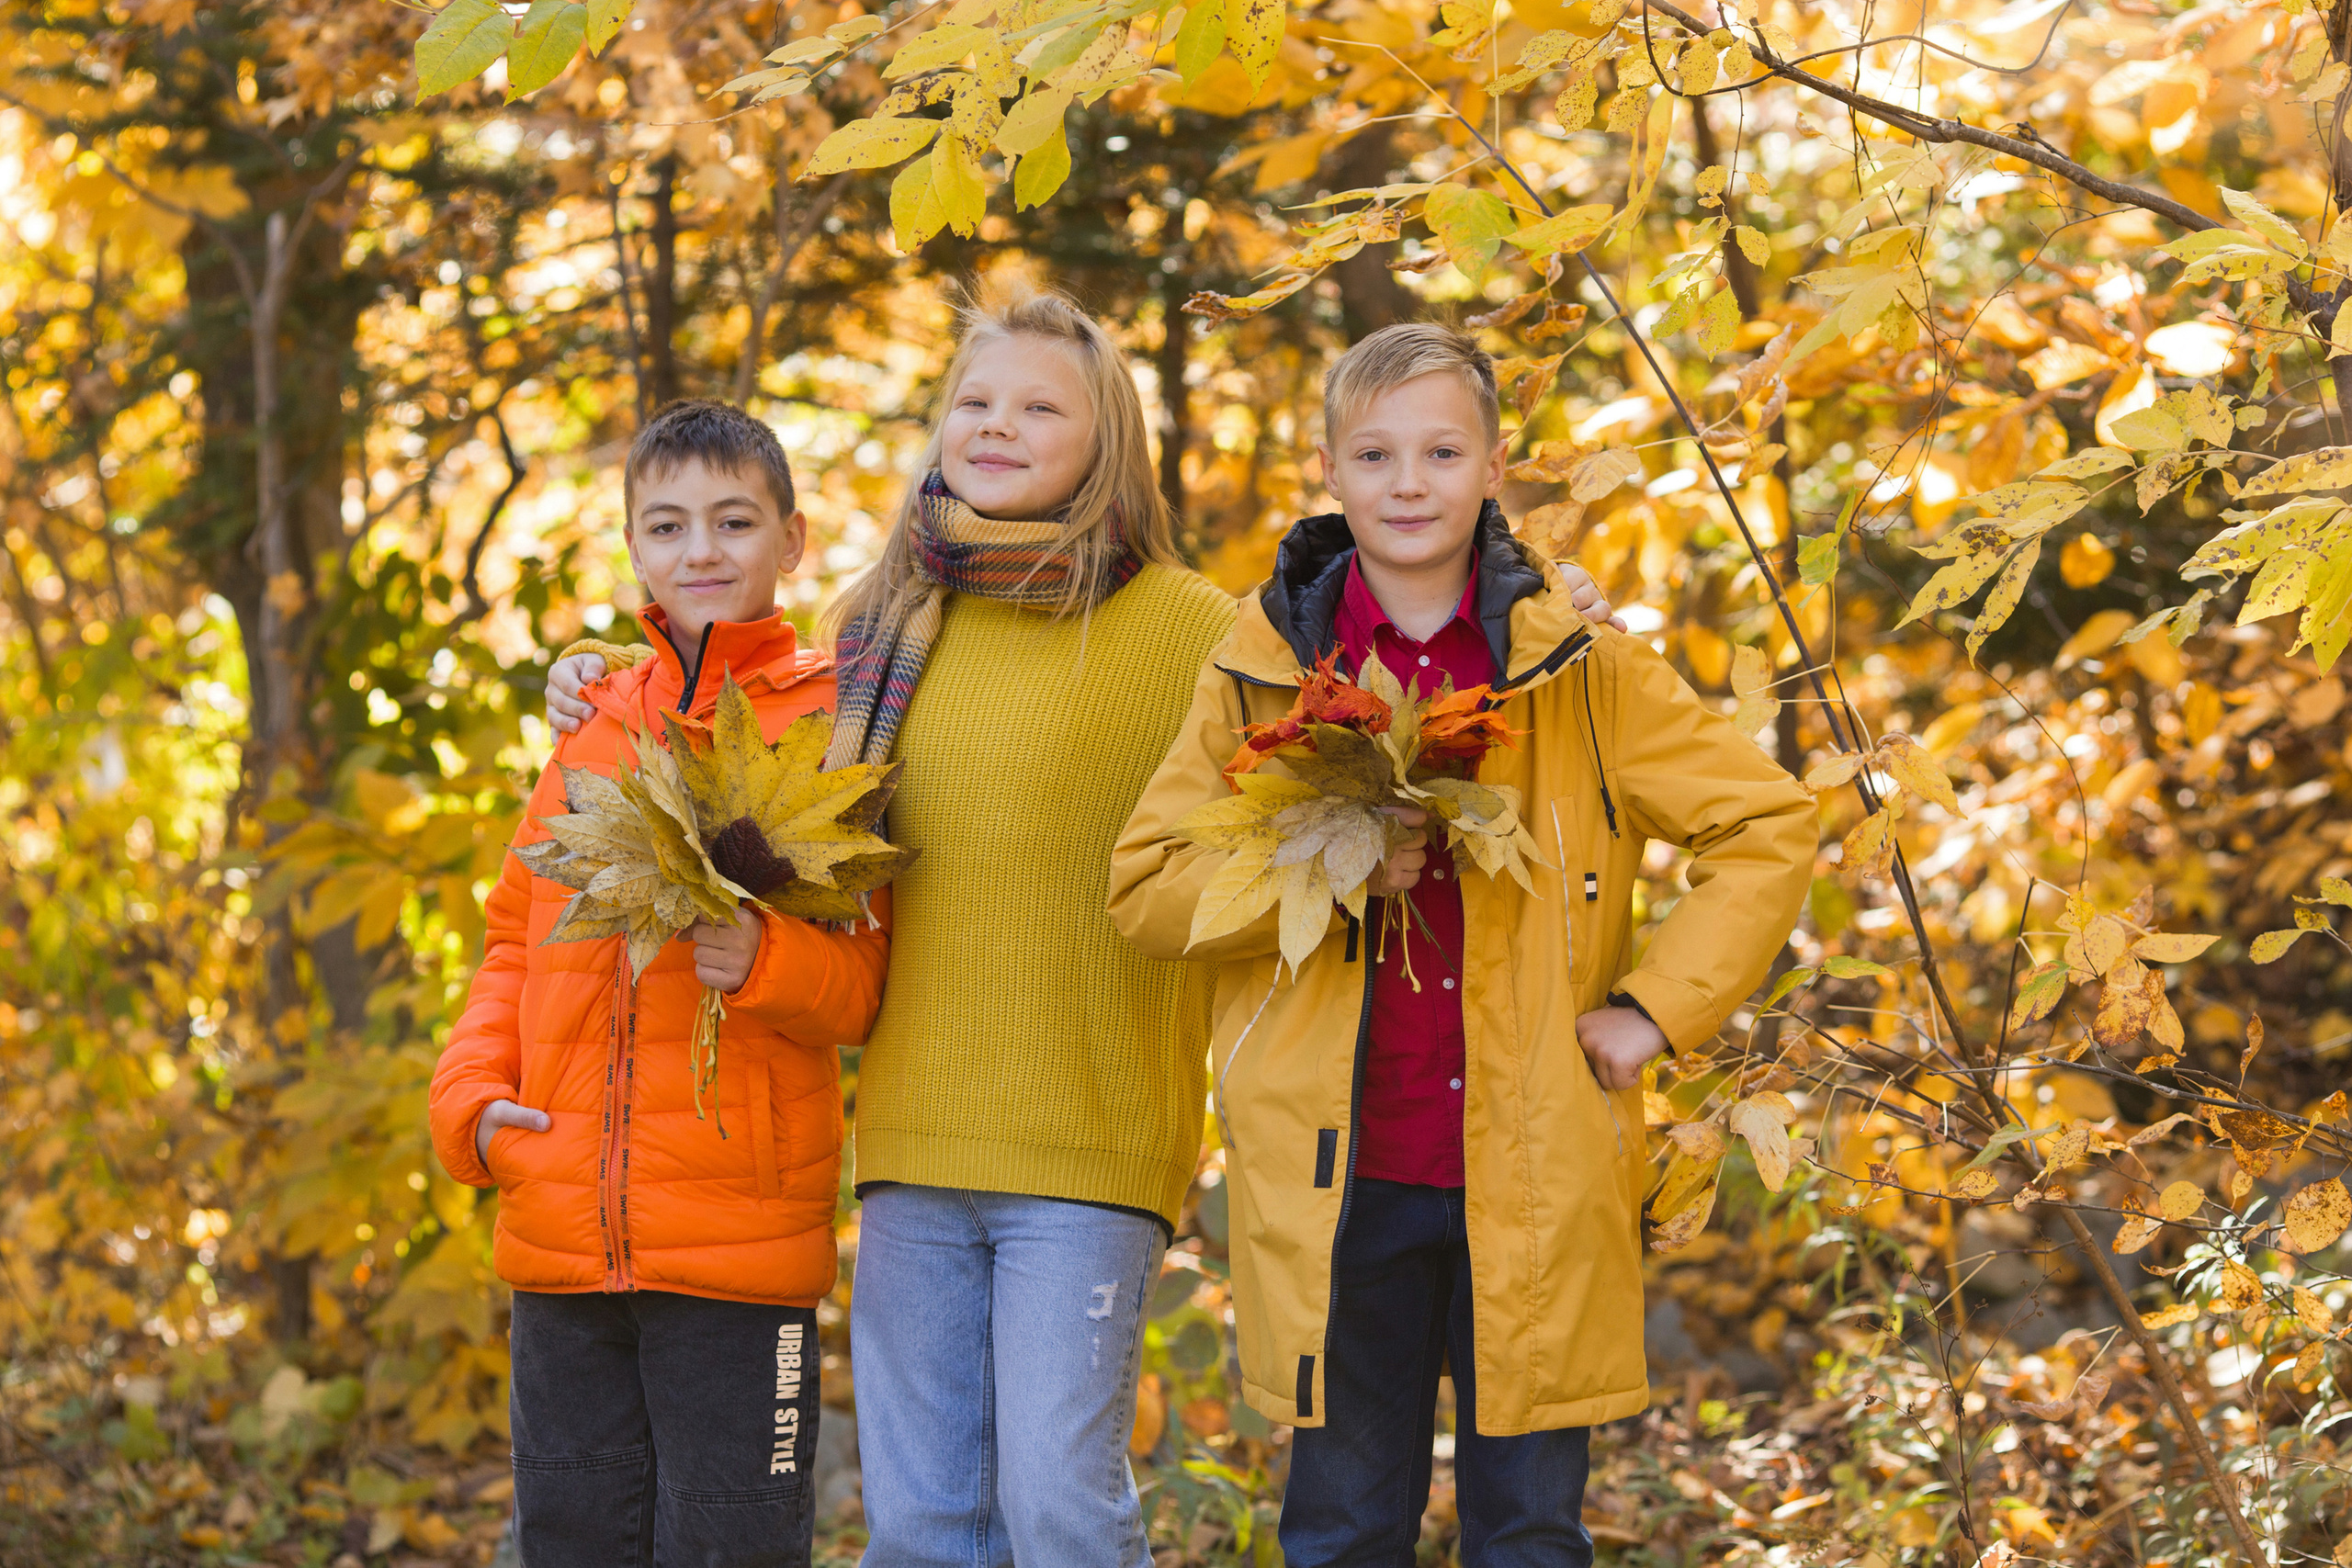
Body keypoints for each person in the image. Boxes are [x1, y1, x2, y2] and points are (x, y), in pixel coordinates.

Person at [539, 295, 1623, 1567]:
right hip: (912, 1125)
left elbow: (1397, 674)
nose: (997, 423)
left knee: (1058, 1506)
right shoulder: (876, 620)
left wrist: (1546, 604)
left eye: (1039, 404)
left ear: (1104, 435)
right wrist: (596, 666)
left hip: (1093, 1134)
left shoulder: (1192, 624)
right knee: (923, 1521)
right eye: (976, 401)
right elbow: (734, 704)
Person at [1108, 323, 1816, 1566]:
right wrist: (1319, 874)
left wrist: (1652, 1010)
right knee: (1339, 1523)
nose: (1410, 480)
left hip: (1533, 1164)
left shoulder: (1579, 666)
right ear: (1330, 468)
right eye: (1376, 453)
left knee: (1531, 1529)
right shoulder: (1265, 664)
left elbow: (1766, 824)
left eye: (1442, 449)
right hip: (1346, 1174)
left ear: (1494, 466)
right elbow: (1148, 888)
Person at [430, 400, 889, 1568]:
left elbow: (868, 986)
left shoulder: (834, 730)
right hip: (562, 1226)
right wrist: (473, 1109)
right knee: (575, 1536)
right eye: (669, 526)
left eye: (734, 522)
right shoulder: (593, 726)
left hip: (739, 1248)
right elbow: (513, 940)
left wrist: (770, 961)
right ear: (634, 545)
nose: (702, 552)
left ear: (791, 540)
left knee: (732, 1543)